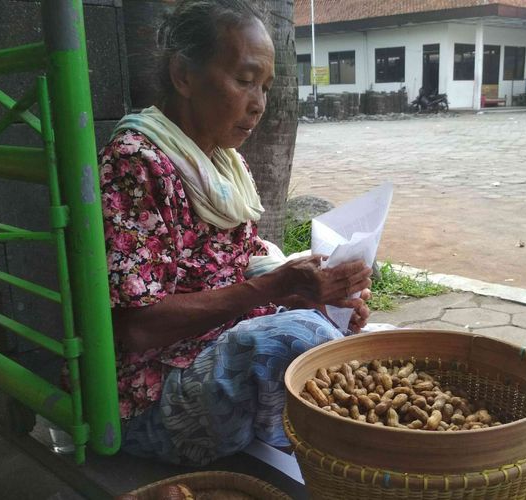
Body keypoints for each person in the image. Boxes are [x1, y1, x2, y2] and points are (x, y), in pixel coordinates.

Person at [98, 0, 373, 466]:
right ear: (183, 75)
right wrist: (277, 286)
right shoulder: (136, 163)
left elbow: (231, 277)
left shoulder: (226, 166)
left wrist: (309, 294)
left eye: (264, 87)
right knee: (297, 339)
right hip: (152, 393)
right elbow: (136, 326)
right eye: (244, 81)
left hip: (217, 355)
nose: (258, 104)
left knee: (341, 335)